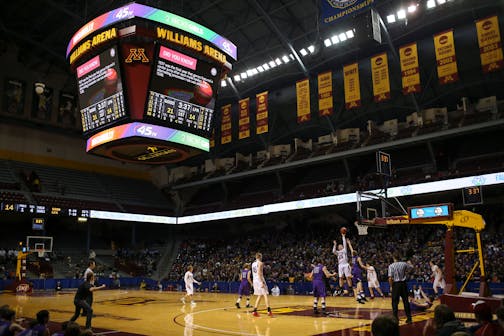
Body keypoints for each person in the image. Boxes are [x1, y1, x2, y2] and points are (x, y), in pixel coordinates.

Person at [388, 252, 414, 323]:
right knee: (406, 301)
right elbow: (411, 268)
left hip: (396, 285)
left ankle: (395, 319)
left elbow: (390, 278)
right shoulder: (404, 264)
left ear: (394, 258)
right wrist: (409, 262)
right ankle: (409, 318)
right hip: (403, 284)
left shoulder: (391, 266)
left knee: (395, 302)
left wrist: (391, 286)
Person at [251, 252, 272, 317]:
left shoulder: (253, 264)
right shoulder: (260, 263)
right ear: (260, 257)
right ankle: (269, 311)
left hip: (255, 280)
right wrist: (262, 282)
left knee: (260, 295)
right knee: (265, 294)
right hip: (260, 280)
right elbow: (260, 273)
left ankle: (254, 311)